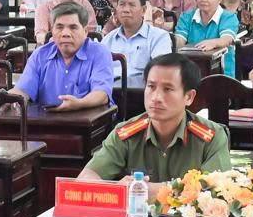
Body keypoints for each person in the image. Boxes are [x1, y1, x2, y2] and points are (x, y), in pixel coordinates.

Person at [79, 53, 230, 182]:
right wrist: (117, 189)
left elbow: (217, 190)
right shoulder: (125, 134)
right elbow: (86, 178)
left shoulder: (211, 137)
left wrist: (146, 190)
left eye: (168, 89)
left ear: (189, 97)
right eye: (151, 87)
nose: (156, 97)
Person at [17, 1, 115, 110]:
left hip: (88, 117)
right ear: (52, 31)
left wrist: (79, 104)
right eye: (59, 27)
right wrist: (9, 99)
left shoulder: (99, 52)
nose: (65, 33)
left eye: (73, 27)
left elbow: (102, 94)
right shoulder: (40, 55)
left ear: (85, 31)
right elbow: (22, 90)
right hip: (46, 118)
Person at [101, 0, 174, 90]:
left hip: (141, 95)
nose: (126, 10)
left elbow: (162, 72)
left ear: (143, 10)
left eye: (132, 5)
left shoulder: (159, 37)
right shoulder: (107, 40)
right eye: (122, 4)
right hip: (110, 94)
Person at [177, 0, 241, 76]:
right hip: (191, 73)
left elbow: (227, 39)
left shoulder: (228, 17)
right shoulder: (186, 16)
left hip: (222, 73)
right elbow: (179, 41)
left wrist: (214, 43)